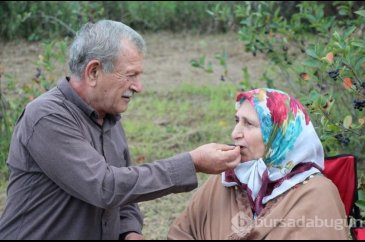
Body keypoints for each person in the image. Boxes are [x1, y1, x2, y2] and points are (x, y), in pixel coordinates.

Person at [0, 20, 241, 240]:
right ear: (93, 72)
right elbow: (104, 187)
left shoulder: (109, 117)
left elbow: (124, 191)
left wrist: (129, 230)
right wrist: (192, 163)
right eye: (130, 75)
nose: (139, 86)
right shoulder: (47, 117)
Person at [168, 88, 349, 240]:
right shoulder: (226, 180)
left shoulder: (317, 194)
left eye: (249, 124)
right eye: (237, 121)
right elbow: (181, 233)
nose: (235, 133)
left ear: (278, 135)